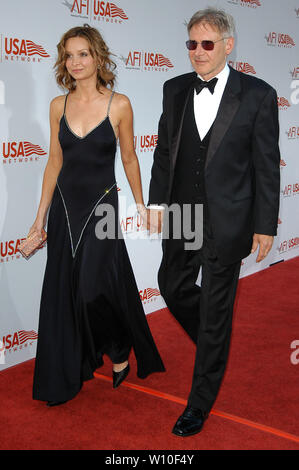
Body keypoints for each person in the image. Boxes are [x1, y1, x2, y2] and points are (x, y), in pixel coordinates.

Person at [148, 7, 280, 436]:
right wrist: (155, 204)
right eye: (192, 44)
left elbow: (266, 166)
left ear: (228, 45)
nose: (198, 52)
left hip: (230, 218)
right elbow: (165, 152)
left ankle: (198, 404)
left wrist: (266, 223)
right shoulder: (174, 89)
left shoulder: (258, 94)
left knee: (218, 307)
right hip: (183, 213)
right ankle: (213, 341)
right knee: (172, 284)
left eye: (207, 44)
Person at [30, 24, 165, 407]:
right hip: (63, 211)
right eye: (69, 55)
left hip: (102, 208)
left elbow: (129, 158)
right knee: (62, 293)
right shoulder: (59, 105)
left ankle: (119, 347)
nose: (75, 62)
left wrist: (142, 205)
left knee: (93, 290)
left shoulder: (118, 104)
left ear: (98, 57)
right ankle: (67, 372)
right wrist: (39, 219)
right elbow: (54, 163)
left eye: (83, 54)